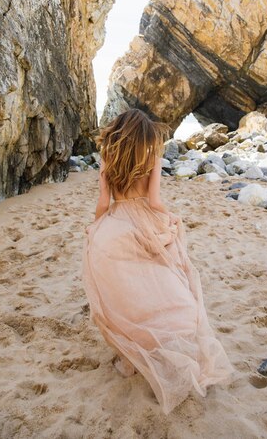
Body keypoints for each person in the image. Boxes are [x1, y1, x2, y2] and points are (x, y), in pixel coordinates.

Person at [81, 108, 235, 414]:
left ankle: (130, 356)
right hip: (147, 221)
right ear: (146, 134)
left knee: (125, 292)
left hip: (116, 224)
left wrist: (97, 230)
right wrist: (170, 219)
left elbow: (103, 202)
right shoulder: (152, 154)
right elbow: (154, 202)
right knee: (163, 283)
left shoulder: (108, 157)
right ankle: (163, 344)